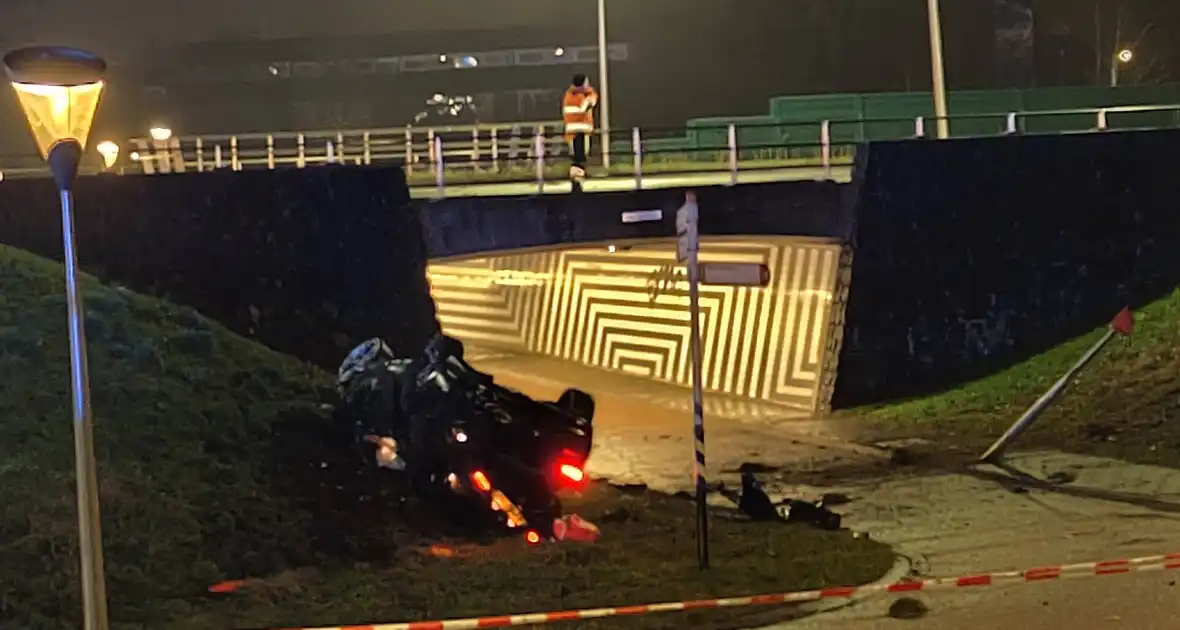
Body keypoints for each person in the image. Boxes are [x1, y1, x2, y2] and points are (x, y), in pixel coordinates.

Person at [562, 74, 598, 191]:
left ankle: (576, 182)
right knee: (581, 157)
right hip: (581, 130)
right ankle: (578, 183)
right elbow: (591, 102)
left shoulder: (568, 95)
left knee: (576, 157)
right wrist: (590, 93)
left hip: (571, 131)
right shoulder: (582, 97)